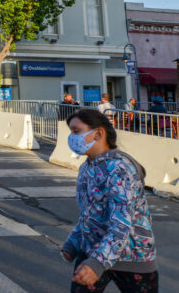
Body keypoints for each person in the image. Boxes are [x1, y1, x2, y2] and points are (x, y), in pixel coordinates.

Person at [62, 109, 158, 292]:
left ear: (98, 133)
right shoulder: (86, 168)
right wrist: (73, 242)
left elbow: (121, 223)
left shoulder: (120, 169)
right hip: (93, 253)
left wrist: (97, 263)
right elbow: (89, 214)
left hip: (132, 258)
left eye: (76, 131)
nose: (71, 138)